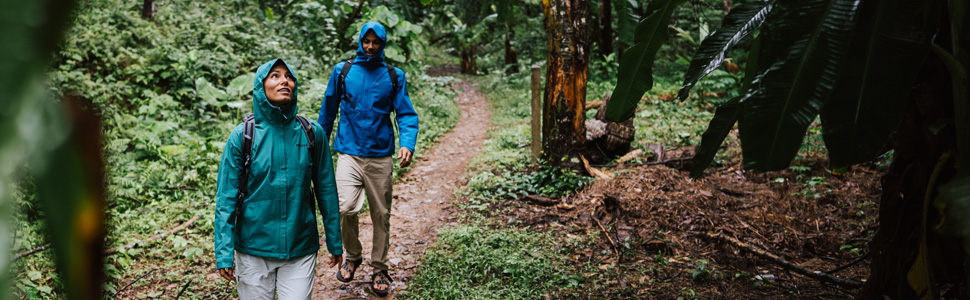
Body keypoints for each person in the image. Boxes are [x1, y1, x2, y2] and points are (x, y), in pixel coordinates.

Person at [214, 58, 343, 300]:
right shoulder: (242, 137)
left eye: (289, 76)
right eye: (275, 75)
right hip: (253, 249)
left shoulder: (312, 133)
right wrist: (223, 253)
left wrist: (335, 242)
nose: (285, 80)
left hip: (300, 247)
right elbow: (226, 198)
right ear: (260, 87)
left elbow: (327, 190)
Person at [317, 21, 419, 297]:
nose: (370, 46)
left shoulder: (394, 75)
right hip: (348, 153)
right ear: (360, 41)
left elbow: (406, 114)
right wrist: (318, 144)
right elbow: (327, 111)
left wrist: (407, 143)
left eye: (375, 42)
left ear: (383, 43)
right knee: (344, 207)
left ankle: (379, 268)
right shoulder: (344, 71)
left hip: (380, 156)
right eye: (366, 41)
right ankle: (353, 255)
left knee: (381, 214)